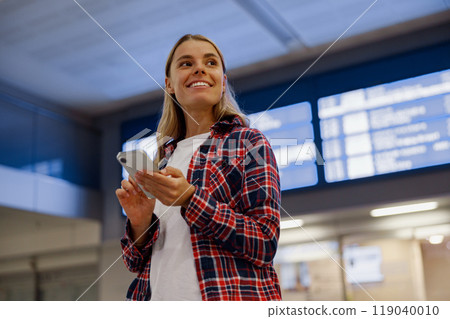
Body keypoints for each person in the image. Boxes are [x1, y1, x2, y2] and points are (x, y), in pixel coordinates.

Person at [116, 34, 282, 301]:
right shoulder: (162, 163)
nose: (199, 69)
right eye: (186, 63)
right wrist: (139, 223)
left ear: (222, 81)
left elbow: (264, 242)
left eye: (210, 62)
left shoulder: (248, 143)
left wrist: (190, 199)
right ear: (169, 85)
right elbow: (134, 263)